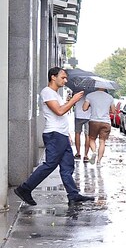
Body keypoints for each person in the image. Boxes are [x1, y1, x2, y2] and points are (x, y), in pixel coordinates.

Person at [13, 67, 94, 206]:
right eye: (63, 77)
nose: (65, 80)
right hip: (54, 135)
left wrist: (66, 133)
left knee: (67, 166)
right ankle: (24, 189)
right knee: (50, 164)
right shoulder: (47, 92)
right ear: (53, 77)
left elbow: (60, 116)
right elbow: (59, 111)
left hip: (61, 135)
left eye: (66, 78)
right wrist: (73, 100)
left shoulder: (56, 94)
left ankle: (73, 195)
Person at [83, 86, 114, 165]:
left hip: (94, 121)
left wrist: (91, 105)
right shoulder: (110, 97)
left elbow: (84, 108)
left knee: (92, 139)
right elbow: (113, 111)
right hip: (106, 122)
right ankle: (99, 161)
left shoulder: (90, 95)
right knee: (102, 141)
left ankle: (94, 151)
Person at [73, 95, 90, 160]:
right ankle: (86, 155)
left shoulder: (77, 91)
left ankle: (78, 153)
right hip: (89, 115)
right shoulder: (91, 92)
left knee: (77, 133)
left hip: (78, 114)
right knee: (87, 135)